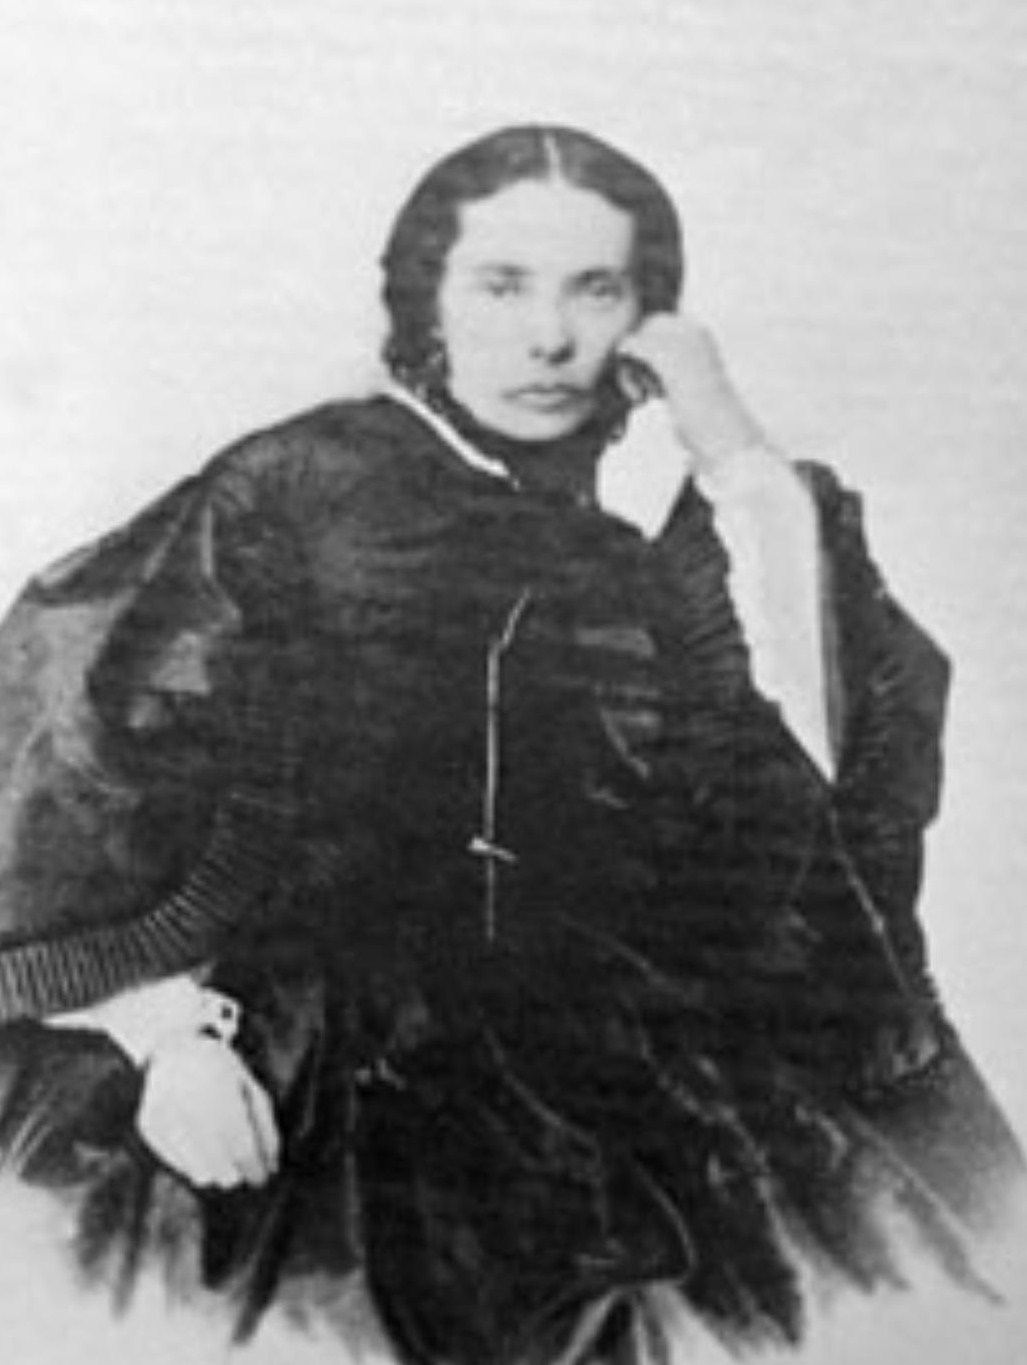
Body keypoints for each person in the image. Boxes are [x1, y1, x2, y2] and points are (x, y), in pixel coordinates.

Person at [0, 123, 1022, 1364]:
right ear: (425, 301)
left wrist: (724, 440)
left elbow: (814, 793)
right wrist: (165, 1036)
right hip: (328, 1089)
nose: (549, 337)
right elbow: (76, 767)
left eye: (597, 290)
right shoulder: (296, 486)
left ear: (649, 318)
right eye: (500, 286)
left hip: (635, 1076)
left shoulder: (654, 520)